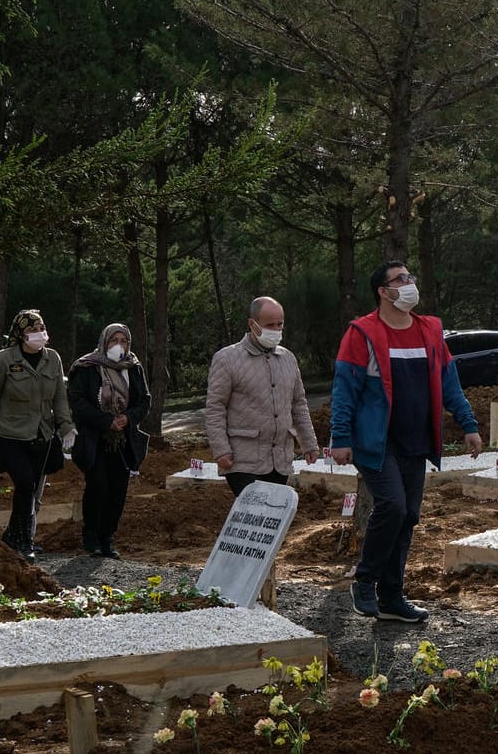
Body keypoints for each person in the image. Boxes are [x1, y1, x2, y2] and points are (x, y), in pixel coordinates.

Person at [331, 262, 483, 623]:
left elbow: (450, 384)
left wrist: (468, 424)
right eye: (400, 279)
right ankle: (365, 580)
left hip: (416, 439)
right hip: (376, 441)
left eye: (411, 276)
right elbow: (344, 390)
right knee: (393, 506)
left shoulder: (430, 330)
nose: (410, 283)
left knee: (407, 517)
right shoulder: (362, 333)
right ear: (383, 292)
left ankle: (391, 598)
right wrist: (340, 437)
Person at [0, 310, 76, 559]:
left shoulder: (53, 359)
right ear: (19, 334)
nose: (38, 334)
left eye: (41, 328)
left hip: (41, 434)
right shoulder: (5, 359)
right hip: (9, 435)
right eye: (32, 330)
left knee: (33, 488)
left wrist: (67, 426)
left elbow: (59, 397)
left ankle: (16, 535)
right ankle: (20, 539)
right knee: (25, 483)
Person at [205, 296, 319, 499]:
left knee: (273, 521)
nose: (276, 330)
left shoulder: (288, 359)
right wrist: (221, 450)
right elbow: (215, 407)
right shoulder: (227, 359)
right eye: (269, 325)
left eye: (279, 324)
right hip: (242, 461)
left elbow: (298, 404)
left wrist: (309, 443)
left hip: (280, 461)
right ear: (252, 324)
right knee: (253, 515)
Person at [68, 323, 150, 558]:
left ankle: (107, 537)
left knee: (118, 489)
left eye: (123, 341)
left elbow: (144, 400)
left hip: (123, 439)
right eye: (114, 340)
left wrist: (127, 418)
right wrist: (105, 421)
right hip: (95, 437)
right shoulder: (87, 366)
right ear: (104, 342)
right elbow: (77, 400)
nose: (119, 346)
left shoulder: (133, 367)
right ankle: (91, 536)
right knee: (98, 485)